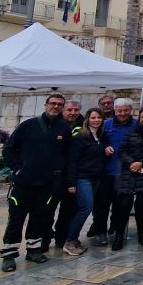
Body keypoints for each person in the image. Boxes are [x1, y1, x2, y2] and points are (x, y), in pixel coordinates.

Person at [0, 93, 71, 272]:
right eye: (52, 103)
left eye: (59, 104)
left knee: (40, 217)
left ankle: (34, 249)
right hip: (23, 182)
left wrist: (58, 174)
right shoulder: (28, 126)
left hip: (46, 183)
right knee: (16, 218)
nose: (55, 107)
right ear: (45, 105)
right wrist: (18, 169)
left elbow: (66, 155)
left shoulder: (64, 128)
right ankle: (9, 253)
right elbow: (8, 149)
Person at [110, 107, 143, 250]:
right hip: (129, 171)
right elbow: (122, 151)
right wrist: (131, 162)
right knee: (123, 204)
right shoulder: (131, 132)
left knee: (142, 204)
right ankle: (119, 235)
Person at [88, 98, 135, 247]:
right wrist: (104, 148)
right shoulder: (105, 125)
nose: (122, 113)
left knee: (122, 206)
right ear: (114, 110)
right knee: (101, 205)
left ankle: (117, 232)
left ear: (130, 110)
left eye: (125, 110)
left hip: (127, 173)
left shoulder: (136, 125)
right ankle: (101, 232)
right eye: (119, 110)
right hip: (105, 172)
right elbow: (95, 142)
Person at [63, 108, 109, 256]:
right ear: (88, 119)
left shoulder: (101, 137)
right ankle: (70, 240)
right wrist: (71, 183)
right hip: (83, 178)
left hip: (96, 177)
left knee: (82, 208)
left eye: (99, 117)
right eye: (93, 117)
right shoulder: (80, 137)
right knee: (85, 208)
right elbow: (72, 161)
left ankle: (73, 238)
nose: (96, 120)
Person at [48, 100, 85, 250]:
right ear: (64, 110)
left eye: (76, 110)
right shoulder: (54, 124)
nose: (73, 113)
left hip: (72, 174)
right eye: (70, 110)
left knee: (68, 209)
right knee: (49, 208)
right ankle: (45, 237)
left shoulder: (83, 126)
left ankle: (61, 237)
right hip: (54, 174)